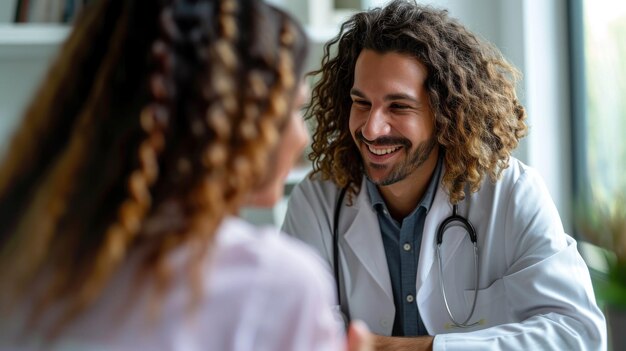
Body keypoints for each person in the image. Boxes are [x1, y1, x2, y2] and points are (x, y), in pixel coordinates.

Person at [0, 0, 372, 350]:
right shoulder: (274, 286)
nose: (302, 136)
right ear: (224, 121)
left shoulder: (21, 255)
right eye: (292, 109)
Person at [282, 1, 606, 350]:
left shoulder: (511, 193)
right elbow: (287, 333)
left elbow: (578, 334)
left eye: (398, 106)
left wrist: (416, 348)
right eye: (361, 103)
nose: (372, 129)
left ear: (444, 113)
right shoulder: (317, 201)